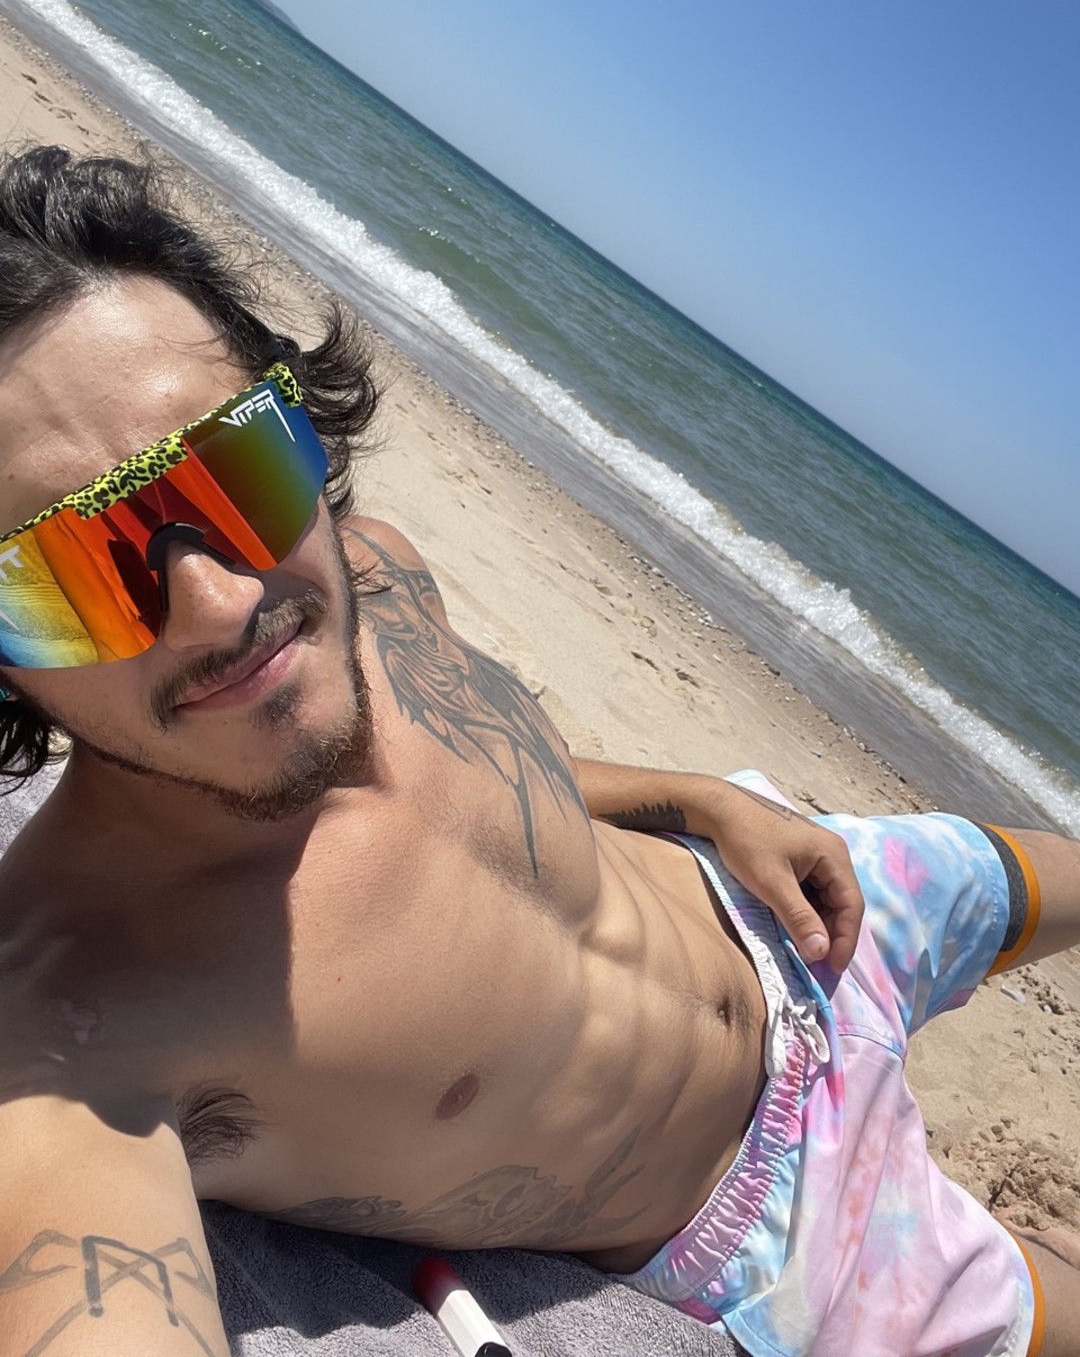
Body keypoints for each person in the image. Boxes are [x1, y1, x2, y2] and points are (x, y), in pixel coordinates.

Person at [0, 147, 1075, 1357]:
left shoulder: (380, 575)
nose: (217, 602)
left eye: (230, 469)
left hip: (783, 893)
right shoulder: (73, 1029)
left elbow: (500, 765)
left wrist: (700, 800)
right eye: (70, 573)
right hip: (782, 1220)